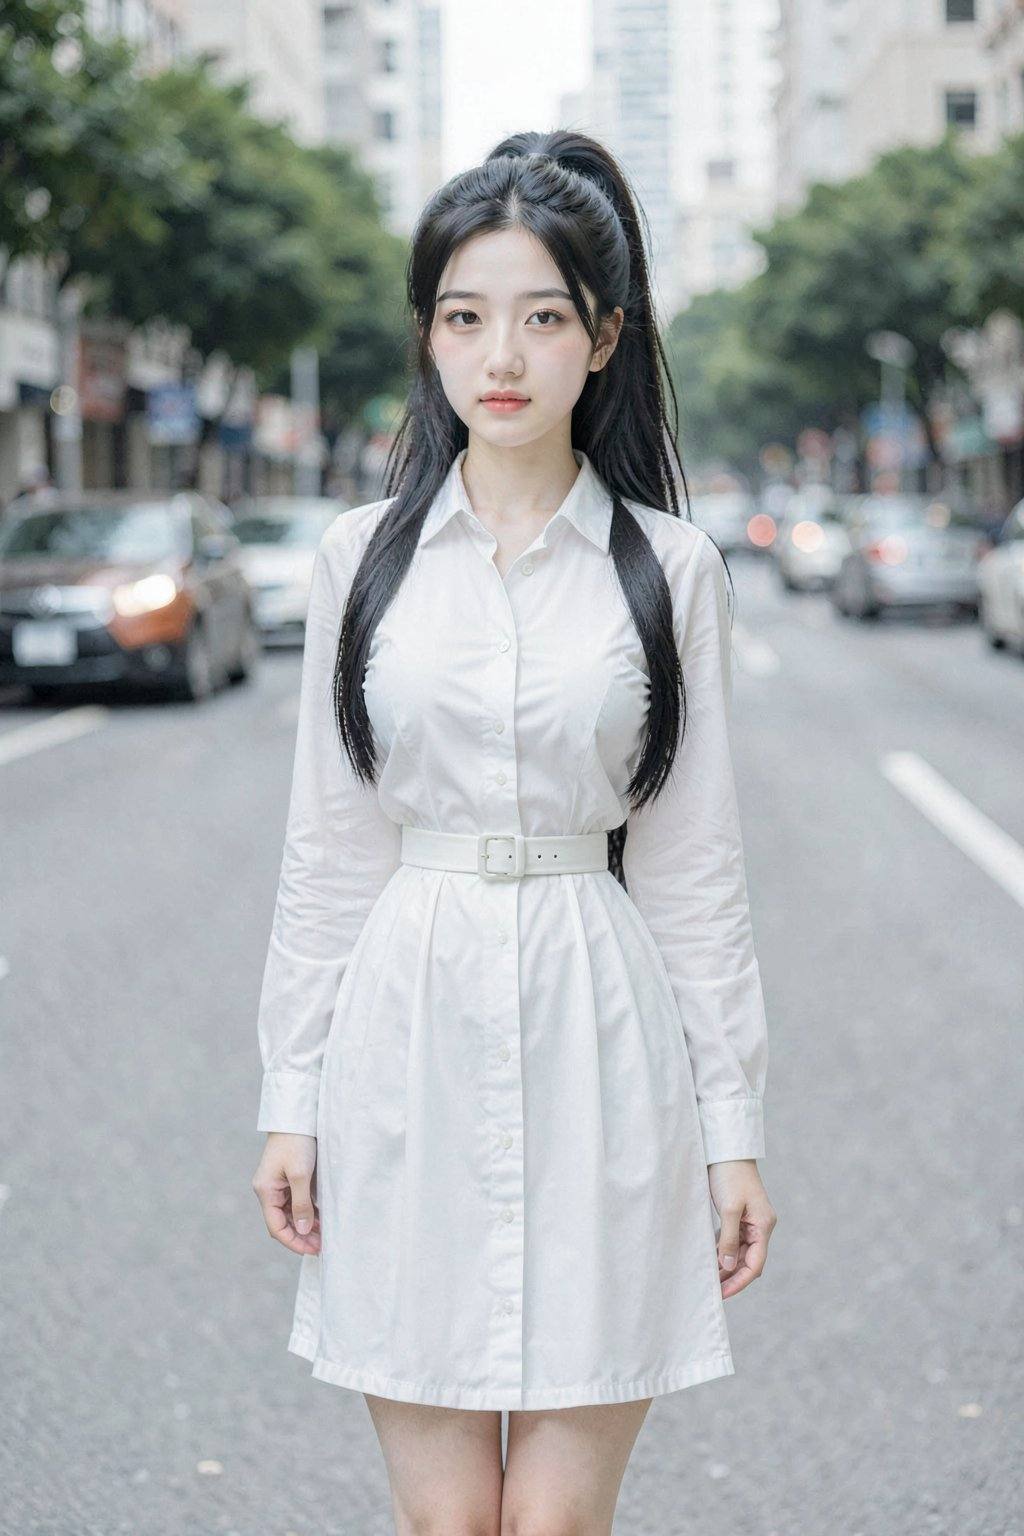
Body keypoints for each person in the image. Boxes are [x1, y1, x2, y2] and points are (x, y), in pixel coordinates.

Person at [251, 128, 777, 1533]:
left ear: (603, 339)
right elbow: (328, 848)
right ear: (427, 333)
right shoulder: (355, 562)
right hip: (402, 1033)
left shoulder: (671, 573)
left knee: (549, 1527)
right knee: (449, 1528)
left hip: (599, 1030)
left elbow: (694, 870)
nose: (502, 355)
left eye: (543, 318)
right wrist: (288, 1096)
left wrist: (732, 1132)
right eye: (465, 316)